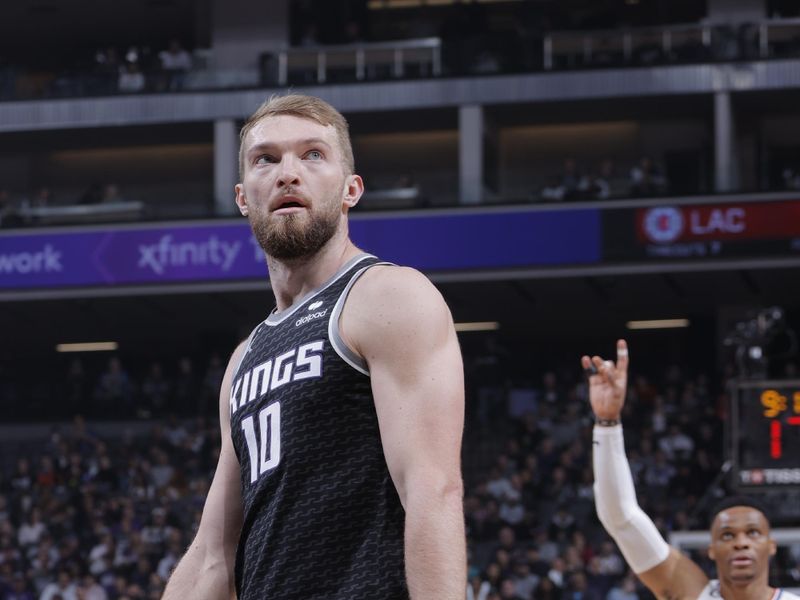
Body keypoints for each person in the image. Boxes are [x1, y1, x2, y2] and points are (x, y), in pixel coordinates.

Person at [162, 94, 466, 599]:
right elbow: (213, 555)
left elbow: (432, 491)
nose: (288, 173)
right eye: (267, 158)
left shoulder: (386, 296)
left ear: (351, 189)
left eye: (313, 155)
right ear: (242, 197)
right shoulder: (245, 358)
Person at [582, 340, 800, 600]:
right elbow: (621, 516)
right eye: (727, 535)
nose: (740, 543)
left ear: (771, 545)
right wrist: (607, 423)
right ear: (711, 549)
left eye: (753, 533)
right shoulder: (693, 593)